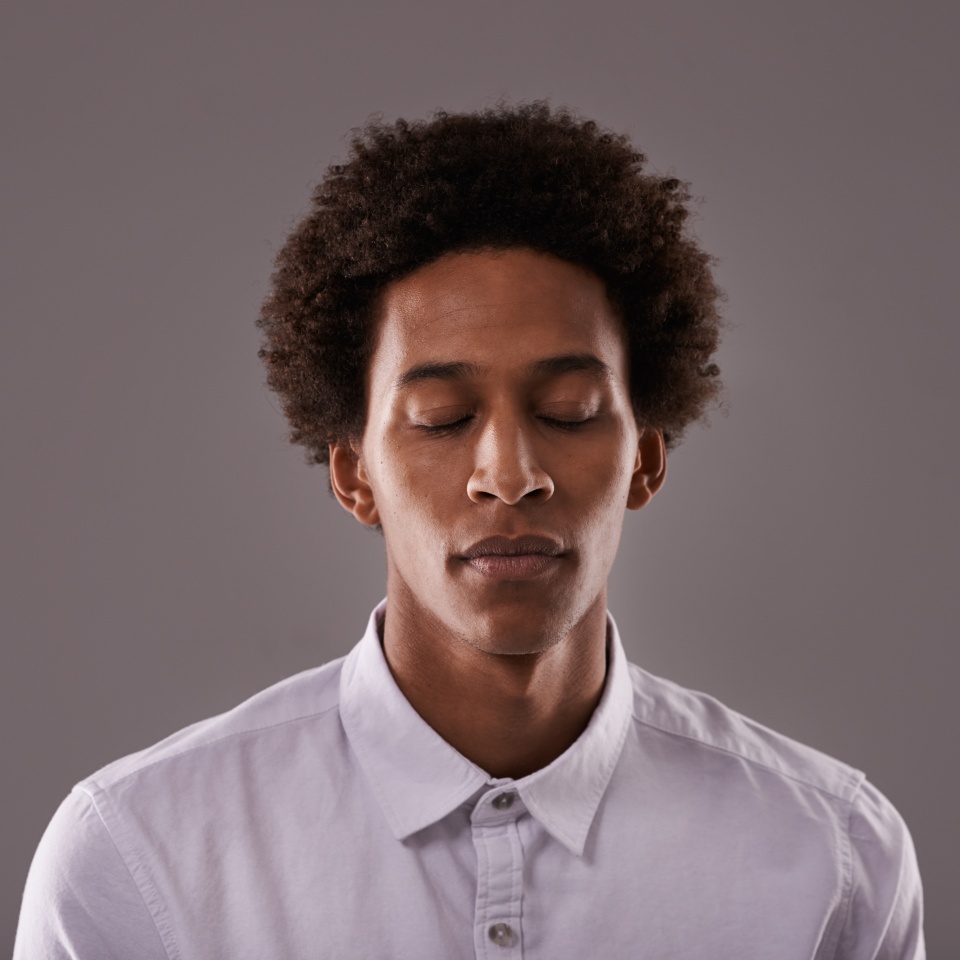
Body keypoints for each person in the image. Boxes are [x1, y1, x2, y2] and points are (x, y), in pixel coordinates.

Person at [14, 103, 924, 959]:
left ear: (645, 461)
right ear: (354, 473)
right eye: (443, 417)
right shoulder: (138, 856)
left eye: (569, 410)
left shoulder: (831, 859)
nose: (508, 474)